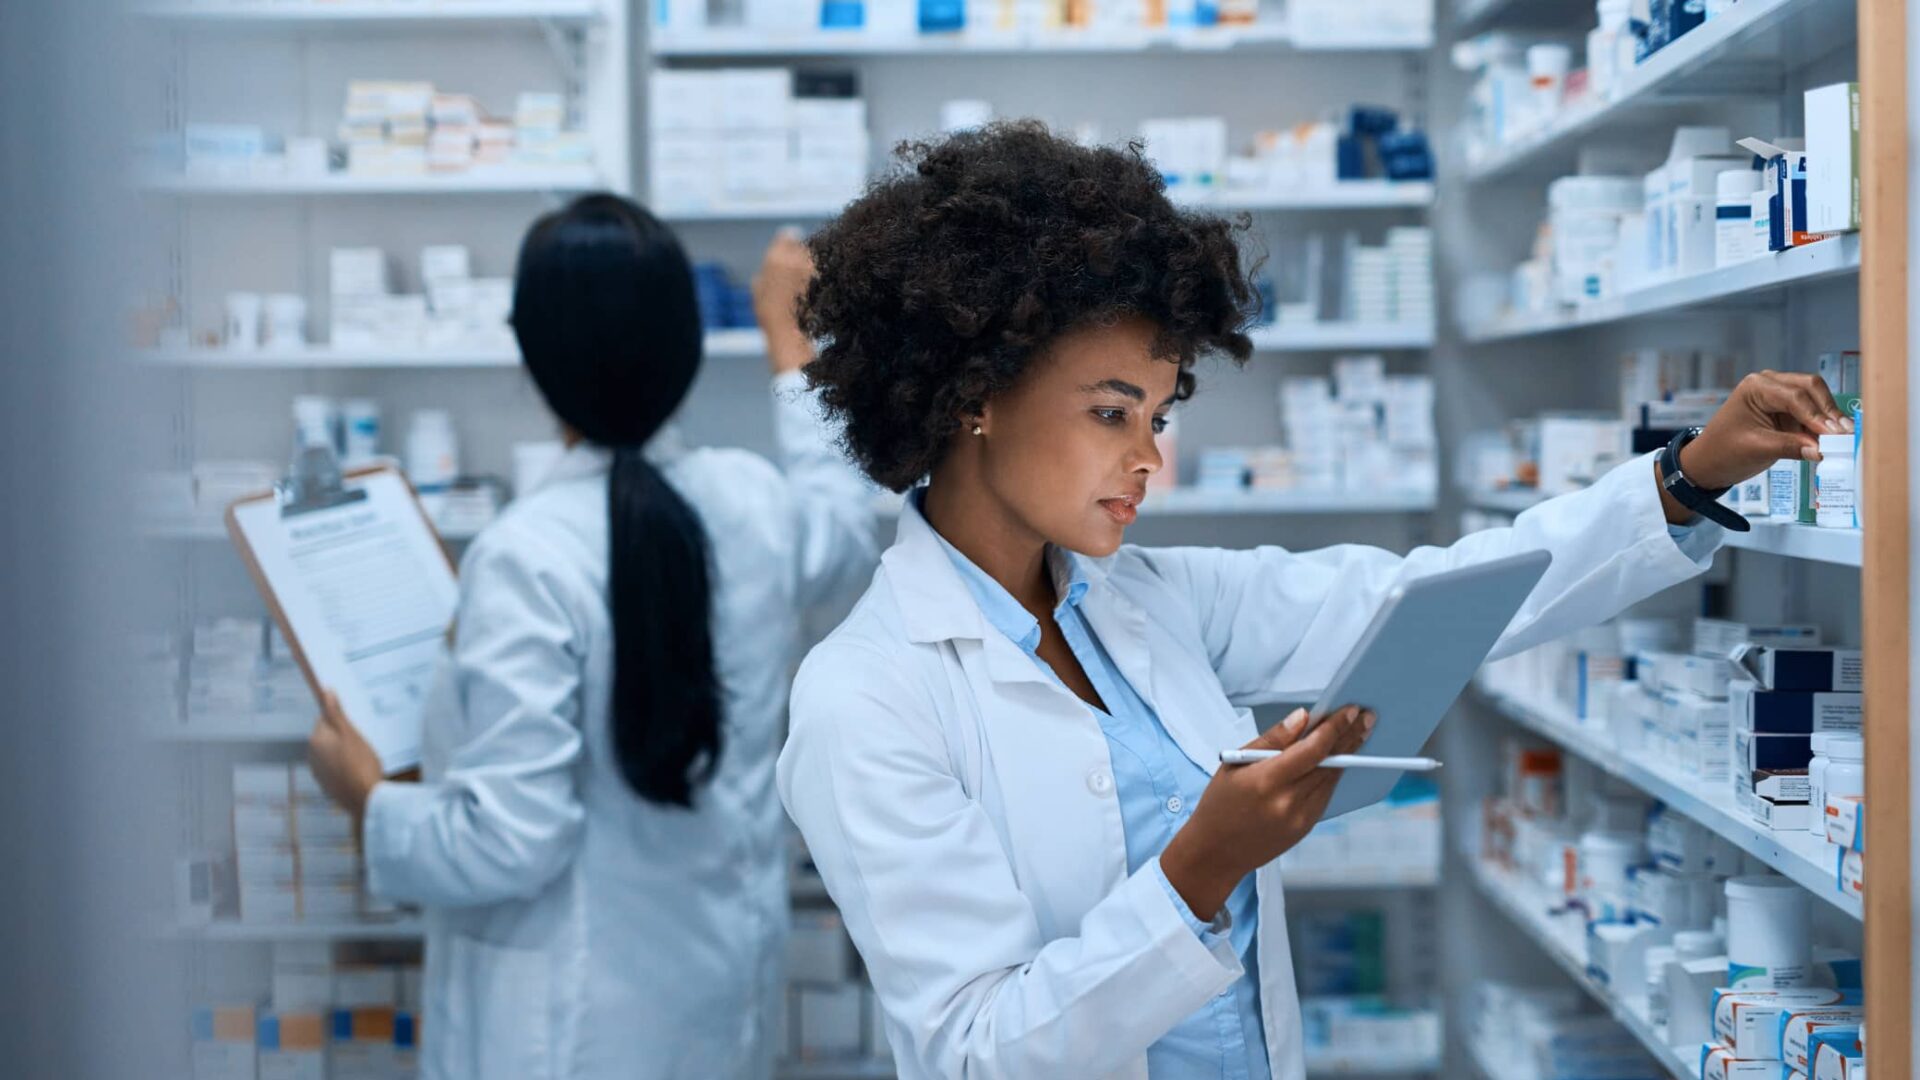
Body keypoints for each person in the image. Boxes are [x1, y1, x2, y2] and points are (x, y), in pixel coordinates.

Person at [775, 121, 1848, 1080]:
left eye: (1157, 414)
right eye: (1112, 413)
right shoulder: (867, 697)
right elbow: (975, 1051)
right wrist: (1203, 866)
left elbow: (1431, 596)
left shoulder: (1141, 600)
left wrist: (1685, 474)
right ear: (972, 396)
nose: (1150, 458)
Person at [305, 195, 879, 1080]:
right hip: (717, 995)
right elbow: (843, 527)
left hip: (567, 1032)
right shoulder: (753, 503)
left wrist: (368, 800)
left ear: (533, 358)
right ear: (685, 346)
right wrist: (789, 344)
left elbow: (508, 842)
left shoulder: (527, 554)